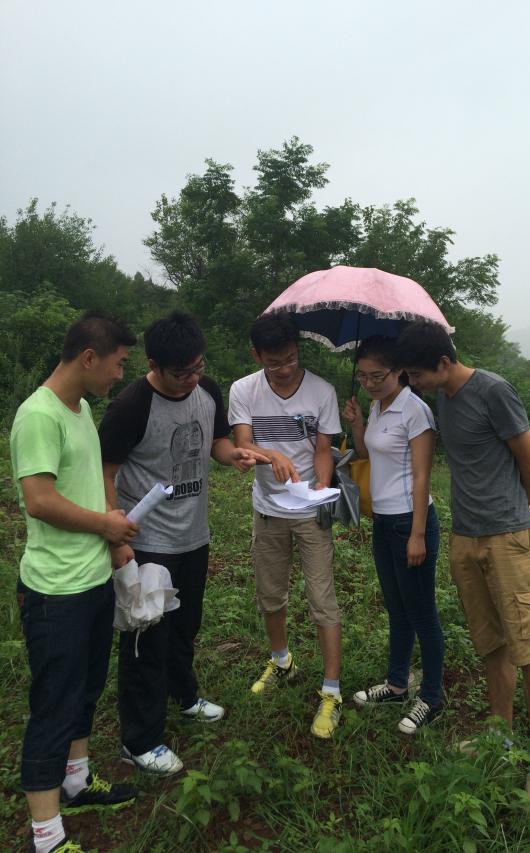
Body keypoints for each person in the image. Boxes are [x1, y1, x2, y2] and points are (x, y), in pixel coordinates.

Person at [395, 319, 530, 812]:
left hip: (508, 539)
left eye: (416, 375)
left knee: (528, 649)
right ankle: (499, 738)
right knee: (491, 646)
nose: (412, 383)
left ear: (443, 363)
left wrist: (523, 513)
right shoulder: (443, 398)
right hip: (466, 540)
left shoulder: (493, 391)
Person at [99, 311, 267, 775]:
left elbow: (215, 443)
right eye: (181, 373)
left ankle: (185, 696)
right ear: (154, 364)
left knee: (185, 627)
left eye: (198, 367)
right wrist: (116, 535)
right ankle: (140, 739)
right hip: (147, 540)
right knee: (144, 640)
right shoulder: (132, 405)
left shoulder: (207, 390)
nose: (192, 379)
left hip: (193, 535)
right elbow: (105, 471)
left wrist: (233, 453)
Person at [11, 311, 139, 853]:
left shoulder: (82, 407)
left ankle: (78, 780)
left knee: (86, 688)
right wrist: (105, 524)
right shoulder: (38, 416)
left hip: (90, 579)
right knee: (54, 702)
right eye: (117, 364)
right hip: (54, 592)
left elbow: (89, 485)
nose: (118, 375)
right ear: (89, 358)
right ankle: (46, 833)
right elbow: (39, 501)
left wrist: (114, 537)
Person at [228, 313, 343, 739]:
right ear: (257, 355)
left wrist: (322, 489)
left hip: (310, 513)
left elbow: (323, 450)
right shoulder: (244, 390)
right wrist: (268, 455)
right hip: (268, 510)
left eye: (291, 359)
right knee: (270, 594)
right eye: (275, 363)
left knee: (322, 598)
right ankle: (281, 662)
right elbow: (242, 442)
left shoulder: (322, 391)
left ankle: (331, 692)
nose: (285, 369)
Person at [342, 336, 445, 734]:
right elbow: (368, 456)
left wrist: (417, 533)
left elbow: (422, 475)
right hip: (383, 522)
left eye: (378, 376)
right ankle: (398, 683)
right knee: (397, 608)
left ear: (399, 371)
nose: (369, 382)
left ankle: (432, 697)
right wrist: (356, 424)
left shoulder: (415, 410)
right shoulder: (376, 404)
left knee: (422, 613)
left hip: (409, 522)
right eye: (363, 376)